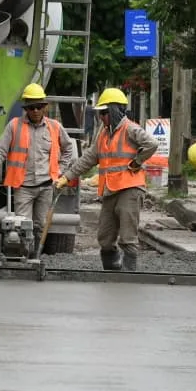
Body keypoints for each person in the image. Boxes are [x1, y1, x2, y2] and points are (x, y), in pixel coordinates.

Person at [55, 87, 157, 272]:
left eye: (104, 113)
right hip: (110, 189)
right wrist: (66, 177)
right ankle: (112, 270)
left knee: (127, 237)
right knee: (105, 236)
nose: (101, 117)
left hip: (130, 189)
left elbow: (152, 144)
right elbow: (88, 159)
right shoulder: (103, 134)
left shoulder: (130, 129)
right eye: (100, 113)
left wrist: (138, 160)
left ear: (114, 110)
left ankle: (127, 275)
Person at [0, 84, 75, 245]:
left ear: (44, 107)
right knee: (22, 227)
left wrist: (60, 170)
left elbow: (68, 149)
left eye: (39, 107)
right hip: (23, 186)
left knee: (40, 226)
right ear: (26, 108)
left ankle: (35, 257)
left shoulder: (55, 127)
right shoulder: (14, 126)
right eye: (32, 107)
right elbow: (0, 151)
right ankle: (24, 256)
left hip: (46, 186)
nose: (36, 111)